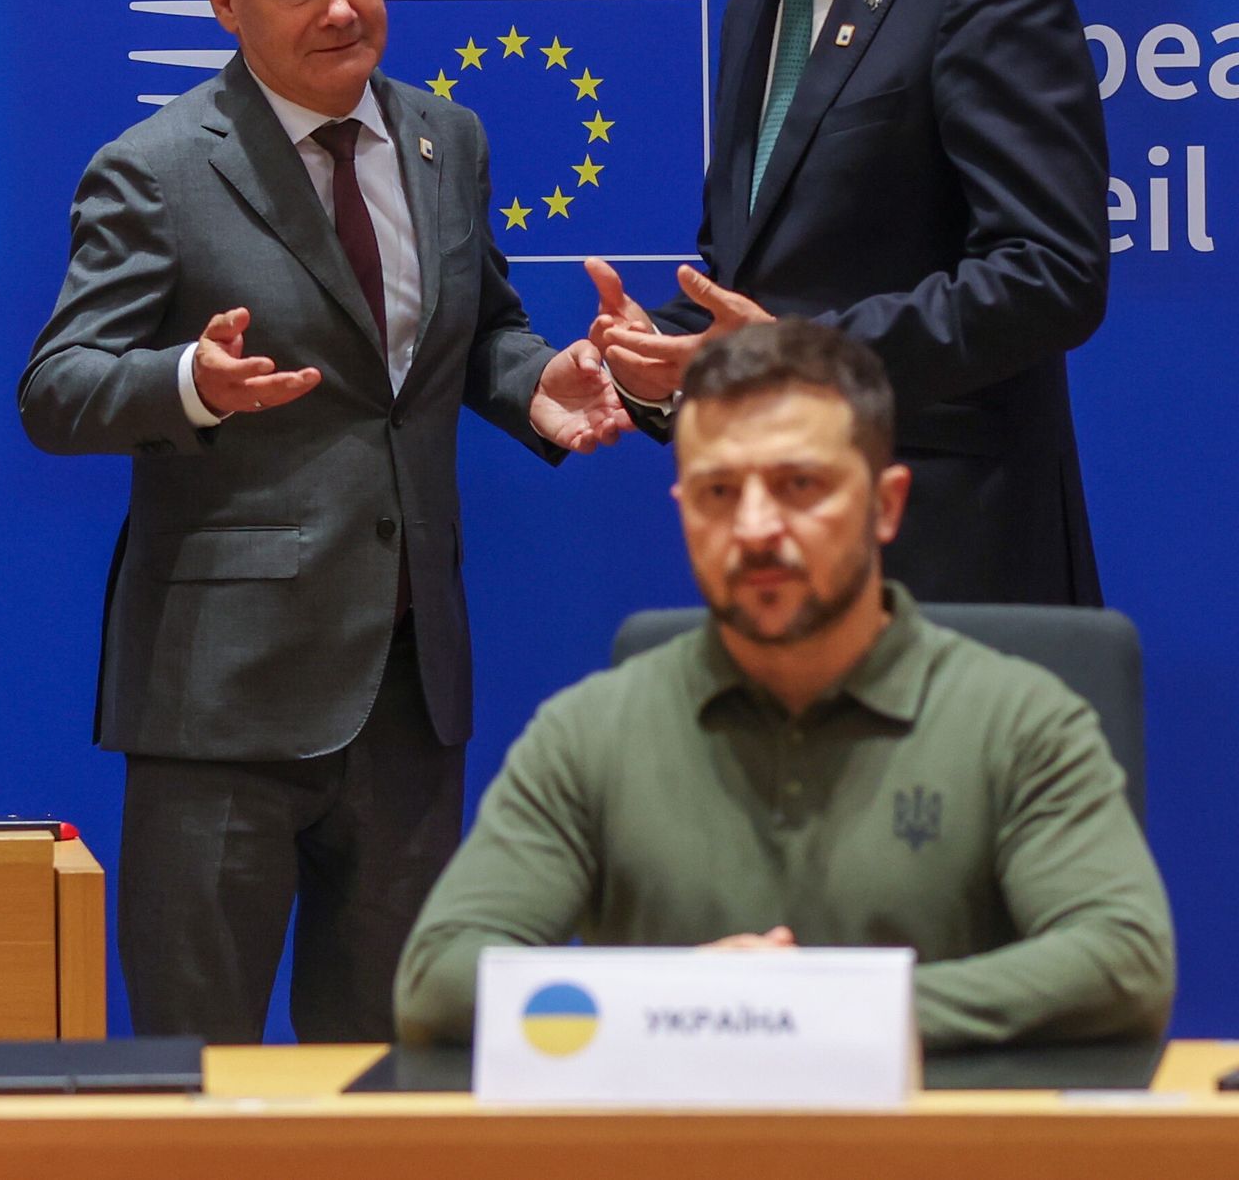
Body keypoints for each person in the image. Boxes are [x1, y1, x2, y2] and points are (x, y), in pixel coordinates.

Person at [19, 0, 628, 1043]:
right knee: (201, 1084)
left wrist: (540, 385)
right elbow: (56, 392)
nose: (343, 11)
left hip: (408, 693)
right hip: (220, 706)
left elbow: (479, 332)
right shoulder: (155, 170)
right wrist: (192, 380)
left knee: (389, 1080)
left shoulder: (446, 139)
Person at [395, 319, 1174, 1052]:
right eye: (719, 492)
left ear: (886, 504)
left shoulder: (1020, 721)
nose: (758, 526)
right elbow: (439, 978)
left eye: (800, 485)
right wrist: (688, 1001)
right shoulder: (589, 732)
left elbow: (1122, 959)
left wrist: (821, 1013)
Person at [587, 0, 1110, 605]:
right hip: (781, 583)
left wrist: (801, 362)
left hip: (954, 579)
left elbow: (1051, 276)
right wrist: (654, 362)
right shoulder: (758, 1)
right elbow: (755, 285)